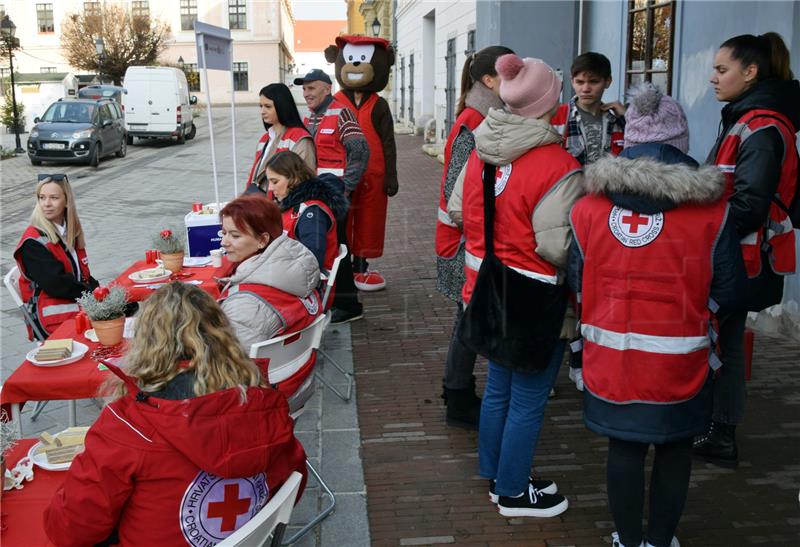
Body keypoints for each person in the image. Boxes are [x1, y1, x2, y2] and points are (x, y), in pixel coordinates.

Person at [568, 82, 746, 547]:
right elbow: (729, 290)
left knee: (623, 447)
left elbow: (576, 279)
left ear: (630, 142)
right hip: (681, 359)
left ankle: (627, 540)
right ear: (681, 145)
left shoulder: (586, 209)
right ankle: (661, 539)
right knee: (675, 449)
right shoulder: (712, 213)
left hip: (610, 357)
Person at [43, 282, 307, 547]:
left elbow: (71, 531)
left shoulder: (127, 426)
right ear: (223, 337)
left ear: (145, 344)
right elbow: (293, 483)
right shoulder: (263, 405)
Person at [455, 54, 583, 517]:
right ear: (551, 101)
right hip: (534, 294)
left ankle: (495, 474)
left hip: (487, 288)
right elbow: (559, 247)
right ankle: (512, 490)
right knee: (528, 399)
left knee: (498, 389)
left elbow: (457, 211)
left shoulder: (480, 150)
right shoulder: (558, 164)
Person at [694, 32, 799, 468]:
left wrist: (697, 227)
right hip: (741, 256)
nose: (713, 78)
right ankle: (718, 430)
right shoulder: (750, 119)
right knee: (728, 342)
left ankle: (718, 431)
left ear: (750, 72)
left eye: (722, 70)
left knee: (722, 342)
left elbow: (749, 205)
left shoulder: (761, 126)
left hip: (742, 258)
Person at [436, 45, 514, 429]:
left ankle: (457, 390)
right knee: (466, 321)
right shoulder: (474, 122)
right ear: (489, 80)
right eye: (509, 75)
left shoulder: (482, 115)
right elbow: (457, 193)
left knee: (466, 319)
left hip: (466, 241)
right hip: (463, 244)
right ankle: (458, 395)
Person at [551, 51, 627, 392]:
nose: (585, 88)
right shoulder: (559, 115)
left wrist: (631, 120)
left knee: (595, 287)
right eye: (580, 81)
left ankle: (583, 358)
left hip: (606, 215)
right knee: (561, 286)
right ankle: (557, 360)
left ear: (607, 82)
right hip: (566, 212)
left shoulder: (618, 119)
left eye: (593, 81)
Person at [294, 68, 369, 323]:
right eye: (304, 89)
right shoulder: (311, 118)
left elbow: (360, 150)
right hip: (320, 193)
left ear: (327, 88)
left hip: (335, 194)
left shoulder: (341, 113)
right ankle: (339, 301)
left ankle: (348, 305)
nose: (306, 94)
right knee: (332, 246)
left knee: (338, 247)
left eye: (311, 88)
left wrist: (346, 187)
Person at [326, 35, 399, 292]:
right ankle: (342, 264)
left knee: (369, 219)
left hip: (374, 174)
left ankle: (361, 265)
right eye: (351, 61)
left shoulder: (379, 105)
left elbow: (389, 142)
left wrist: (392, 175)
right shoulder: (334, 102)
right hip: (342, 173)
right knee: (342, 219)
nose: (356, 67)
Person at [217, 195, 322, 351]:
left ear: (262, 240)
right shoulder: (294, 271)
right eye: (224, 233)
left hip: (266, 374)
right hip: (297, 364)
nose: (224, 242)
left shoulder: (244, 305)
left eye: (235, 235)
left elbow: (232, 363)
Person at [13, 174, 99, 340]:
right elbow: (58, 284)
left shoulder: (67, 231)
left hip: (72, 306)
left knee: (123, 310)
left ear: (66, 201)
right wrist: (92, 297)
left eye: (54, 198)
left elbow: (81, 275)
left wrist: (101, 293)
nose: (47, 204)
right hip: (54, 320)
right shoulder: (33, 241)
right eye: (42, 198)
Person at [265, 150, 348, 273]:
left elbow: (312, 260)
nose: (270, 188)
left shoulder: (312, 213)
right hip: (290, 273)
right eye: (269, 181)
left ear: (294, 178)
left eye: (275, 181)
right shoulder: (295, 206)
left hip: (305, 284)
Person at [245, 83, 316, 191]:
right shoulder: (264, 139)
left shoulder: (300, 139)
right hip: (261, 203)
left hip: (284, 205)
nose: (262, 111)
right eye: (261, 106)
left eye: (268, 106)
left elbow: (304, 181)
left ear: (282, 106)